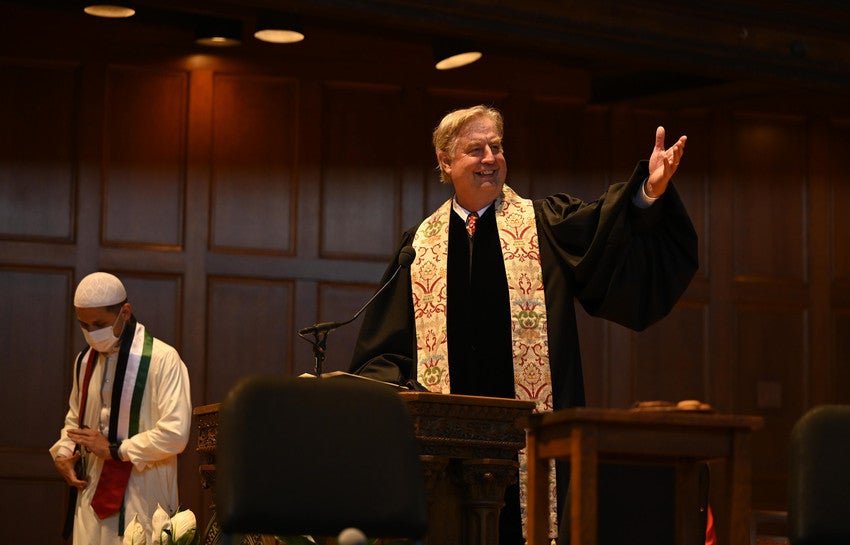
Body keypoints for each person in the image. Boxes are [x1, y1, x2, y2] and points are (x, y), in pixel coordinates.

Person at [348, 105, 699, 543]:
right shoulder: (420, 246)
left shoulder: (544, 224)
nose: (490, 158)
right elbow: (386, 348)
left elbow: (607, 229)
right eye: (475, 149)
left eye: (496, 146)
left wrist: (648, 189)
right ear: (445, 162)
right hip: (445, 456)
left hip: (532, 446)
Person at [50, 272, 193, 544]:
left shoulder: (163, 360)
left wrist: (116, 450)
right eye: (84, 325)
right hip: (90, 495)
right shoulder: (84, 360)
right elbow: (74, 419)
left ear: (125, 312)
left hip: (143, 495)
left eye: (100, 324)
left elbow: (176, 433)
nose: (92, 333)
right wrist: (64, 452)